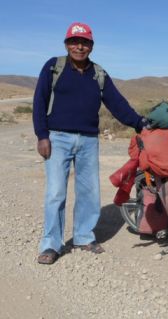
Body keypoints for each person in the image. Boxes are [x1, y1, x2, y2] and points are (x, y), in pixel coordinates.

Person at [33, 22, 148, 264]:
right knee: (55, 193)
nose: (79, 47)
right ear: (67, 44)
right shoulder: (54, 67)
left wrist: (139, 122)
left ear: (91, 46)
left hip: (88, 140)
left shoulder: (99, 74)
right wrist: (42, 135)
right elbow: (39, 102)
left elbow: (117, 104)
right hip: (57, 138)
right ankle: (51, 244)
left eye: (84, 42)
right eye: (74, 42)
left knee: (89, 192)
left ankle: (84, 236)